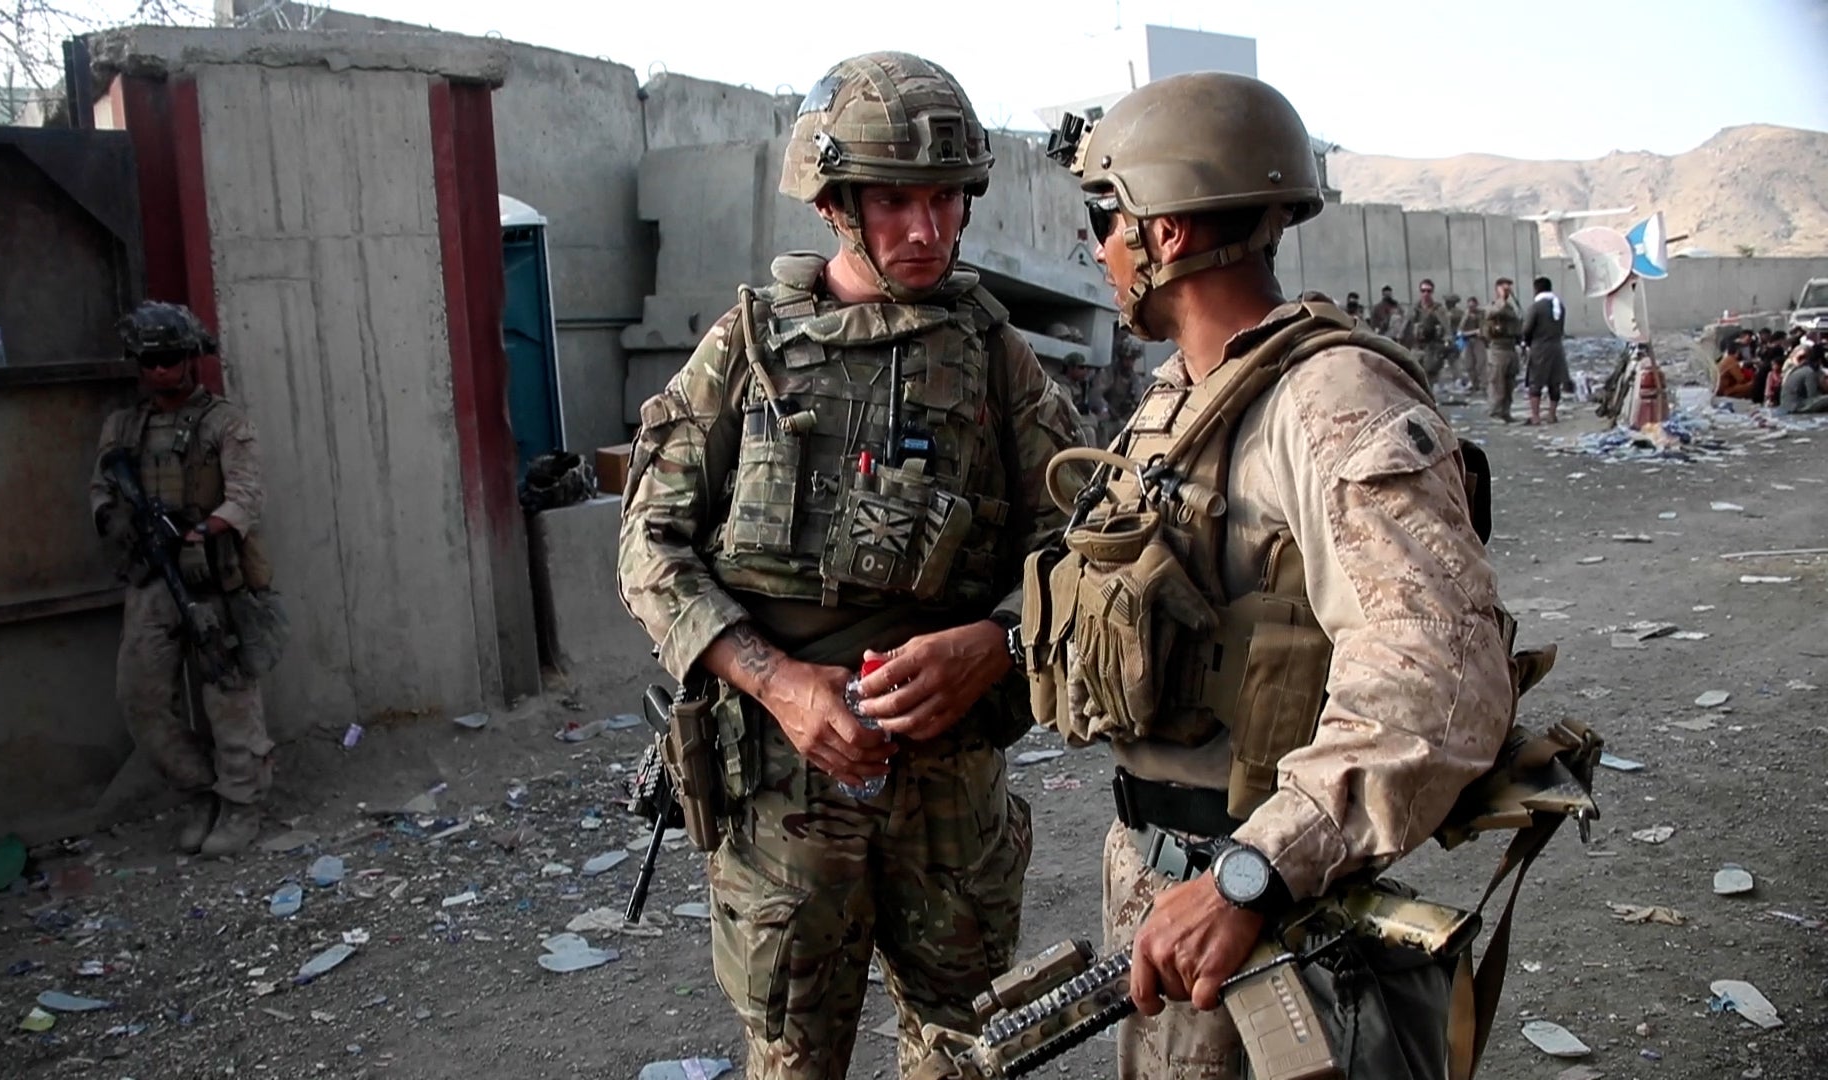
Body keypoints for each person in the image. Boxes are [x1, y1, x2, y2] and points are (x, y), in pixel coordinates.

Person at [615, 51, 1078, 1080]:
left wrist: (996, 643)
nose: (927, 230)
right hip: (785, 782)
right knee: (791, 1054)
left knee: (968, 1048)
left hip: (951, 783)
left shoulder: (998, 358)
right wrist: (775, 685)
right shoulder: (745, 349)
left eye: (946, 200)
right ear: (835, 204)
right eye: (897, 201)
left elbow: (1086, 547)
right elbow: (651, 549)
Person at [1051, 71, 1513, 1079]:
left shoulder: (1329, 398)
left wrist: (1255, 877)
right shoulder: (1184, 398)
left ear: (1163, 231)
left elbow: (1439, 677)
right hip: (1176, 905)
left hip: (1273, 921)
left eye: (1107, 216)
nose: (1100, 249)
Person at [89, 302, 280, 857]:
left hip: (211, 577)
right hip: (151, 580)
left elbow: (247, 495)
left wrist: (200, 532)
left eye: (169, 359)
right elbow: (101, 490)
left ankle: (242, 805)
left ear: (191, 359)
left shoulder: (225, 423)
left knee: (228, 692)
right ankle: (198, 791)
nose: (158, 371)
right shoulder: (122, 428)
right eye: (148, 361)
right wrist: (114, 518)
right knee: (140, 697)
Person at [1521, 275, 1568, 424]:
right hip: (1557, 348)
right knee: (1555, 383)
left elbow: (1527, 329)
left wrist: (1525, 343)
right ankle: (1552, 415)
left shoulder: (1536, 307)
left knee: (1536, 383)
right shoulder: (1559, 306)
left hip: (1540, 348)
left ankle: (1536, 416)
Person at [1482, 278, 1522, 422]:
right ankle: (1495, 413)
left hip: (1510, 348)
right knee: (1497, 384)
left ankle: (1506, 412)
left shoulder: (1511, 307)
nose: (1507, 292)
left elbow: (1519, 318)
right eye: (1504, 289)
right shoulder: (1493, 306)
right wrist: (1502, 298)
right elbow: (1492, 313)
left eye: (1509, 289)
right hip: (1497, 350)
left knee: (1509, 384)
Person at [1100, 330, 1151, 436]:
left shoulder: (1135, 379)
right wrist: (1107, 409)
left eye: (1132, 359)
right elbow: (1096, 395)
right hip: (1108, 420)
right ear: (1121, 358)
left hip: (1125, 420)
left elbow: (1139, 399)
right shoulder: (1109, 373)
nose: (1129, 363)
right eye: (1126, 359)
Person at [1406, 277, 1449, 390]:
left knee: (1429, 377)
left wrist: (1445, 343)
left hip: (1431, 346)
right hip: (1416, 347)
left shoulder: (1438, 309)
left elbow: (1446, 328)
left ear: (1432, 292)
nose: (1426, 294)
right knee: (1413, 376)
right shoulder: (1415, 308)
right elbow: (1404, 326)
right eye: (1423, 290)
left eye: (1428, 291)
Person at [1779, 343, 1828, 413]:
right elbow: (1813, 395)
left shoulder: (1795, 370)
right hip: (1797, 406)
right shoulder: (1809, 372)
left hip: (1788, 405)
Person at [1457, 295, 1485, 390]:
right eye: (1470, 307)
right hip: (1468, 341)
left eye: (1473, 306)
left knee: (1480, 363)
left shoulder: (1481, 314)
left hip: (1478, 341)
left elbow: (1482, 329)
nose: (1471, 308)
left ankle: (1481, 383)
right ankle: (1474, 383)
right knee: (1469, 364)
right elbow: (1460, 331)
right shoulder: (1465, 315)